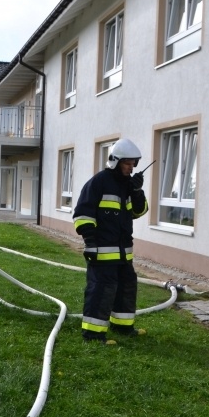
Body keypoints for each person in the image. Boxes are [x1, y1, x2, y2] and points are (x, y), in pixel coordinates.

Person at [72, 138, 149, 345]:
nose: (131, 168)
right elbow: (82, 215)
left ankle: (123, 327)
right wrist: (90, 243)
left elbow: (139, 212)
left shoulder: (129, 186)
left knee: (126, 287)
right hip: (102, 252)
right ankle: (93, 334)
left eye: (133, 164)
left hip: (124, 253)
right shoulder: (98, 182)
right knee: (102, 290)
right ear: (115, 161)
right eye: (127, 163)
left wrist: (137, 192)